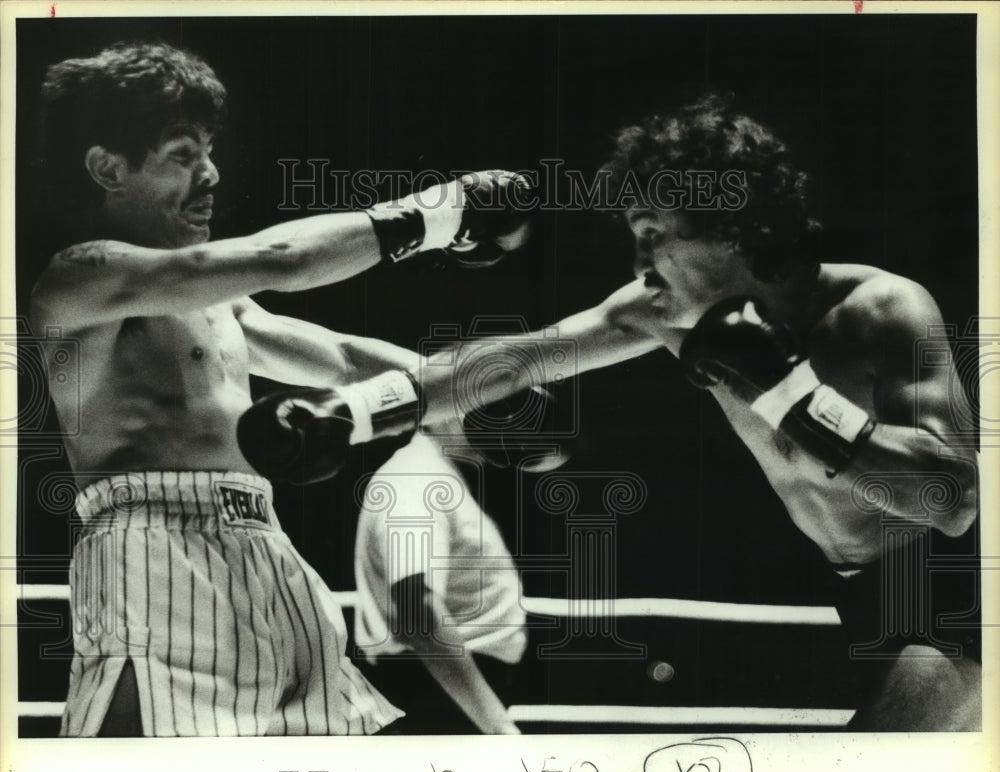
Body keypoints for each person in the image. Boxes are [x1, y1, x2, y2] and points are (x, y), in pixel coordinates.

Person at [242, 94, 981, 731]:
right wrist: (353, 413)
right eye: (634, 233)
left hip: (952, 585)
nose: (639, 260)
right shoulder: (665, 312)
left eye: (656, 231)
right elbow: (522, 357)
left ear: (732, 226)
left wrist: (793, 395)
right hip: (855, 589)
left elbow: (952, 501)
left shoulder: (882, 308)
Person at [29, 40, 529, 736]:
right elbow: (279, 258)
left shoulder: (223, 307)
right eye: (182, 154)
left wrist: (487, 400)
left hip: (266, 544)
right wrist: (438, 214)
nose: (211, 173)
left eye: (208, 150)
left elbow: (351, 359)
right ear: (107, 168)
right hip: (150, 545)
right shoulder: (76, 281)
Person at [353, 428, 529, 734]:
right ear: (443, 406)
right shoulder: (415, 479)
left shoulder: (435, 474)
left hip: (452, 689)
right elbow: (419, 613)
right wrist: (499, 728)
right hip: (438, 693)